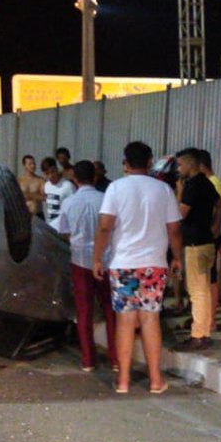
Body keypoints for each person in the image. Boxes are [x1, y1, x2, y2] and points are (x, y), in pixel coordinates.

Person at [93, 141, 182, 394]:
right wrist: (177, 257)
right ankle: (155, 380)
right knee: (150, 318)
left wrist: (97, 258)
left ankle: (123, 381)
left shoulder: (115, 188)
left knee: (125, 321)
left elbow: (104, 226)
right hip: (154, 265)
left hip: (123, 265)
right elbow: (174, 228)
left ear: (126, 162)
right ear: (150, 161)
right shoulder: (163, 190)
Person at [55, 160, 118, 372]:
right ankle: (116, 358)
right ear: (95, 177)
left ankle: (88, 359)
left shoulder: (69, 203)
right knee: (110, 309)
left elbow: (63, 230)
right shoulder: (106, 200)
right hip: (106, 260)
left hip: (80, 260)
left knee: (84, 311)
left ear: (74, 179)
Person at [173, 149, 221, 352]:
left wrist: (178, 192)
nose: (178, 169)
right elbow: (220, 204)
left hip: (195, 244)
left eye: (180, 165)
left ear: (190, 165)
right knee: (203, 289)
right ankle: (204, 330)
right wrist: (215, 227)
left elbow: (180, 213)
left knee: (197, 291)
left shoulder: (192, 186)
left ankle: (198, 335)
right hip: (206, 241)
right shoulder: (207, 182)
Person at [198, 149, 221, 309]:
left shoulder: (213, 183)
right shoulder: (212, 182)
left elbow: (220, 208)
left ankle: (211, 317)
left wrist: (215, 229)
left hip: (211, 236)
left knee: (210, 277)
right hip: (208, 235)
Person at [41, 157, 75, 224]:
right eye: (47, 173)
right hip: (50, 226)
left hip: (64, 228)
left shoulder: (68, 186)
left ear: (57, 169)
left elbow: (74, 208)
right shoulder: (46, 186)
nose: (51, 176)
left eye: (52, 171)